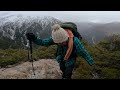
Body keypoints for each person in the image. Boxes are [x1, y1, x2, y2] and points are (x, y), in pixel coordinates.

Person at [26, 24, 94, 79]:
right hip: (60, 56)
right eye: (58, 43)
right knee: (61, 69)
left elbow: (83, 51)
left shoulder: (75, 40)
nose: (60, 44)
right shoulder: (56, 38)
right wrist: (34, 38)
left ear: (66, 37)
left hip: (71, 58)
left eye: (62, 42)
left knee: (68, 72)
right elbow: (43, 42)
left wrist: (90, 61)